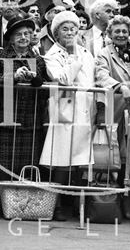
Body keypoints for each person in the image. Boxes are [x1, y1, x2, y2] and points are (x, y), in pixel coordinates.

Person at [95, 15, 130, 220]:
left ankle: (128, 204)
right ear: (109, 34)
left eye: (124, 31)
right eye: (116, 31)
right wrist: (120, 86)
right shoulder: (104, 54)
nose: (121, 34)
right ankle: (109, 203)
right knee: (112, 159)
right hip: (115, 111)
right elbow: (101, 76)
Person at [39, 11, 95, 220]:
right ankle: (57, 203)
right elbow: (62, 78)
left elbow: (92, 80)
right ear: (56, 33)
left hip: (84, 109)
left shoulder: (86, 52)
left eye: (73, 28)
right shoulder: (52, 55)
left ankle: (77, 204)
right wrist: (73, 58)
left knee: (80, 160)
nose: (70, 32)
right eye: (65, 28)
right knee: (61, 159)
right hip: (63, 110)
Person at [0, 13, 48, 177]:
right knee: (4, 164)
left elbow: (45, 84)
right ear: (11, 38)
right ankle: (4, 200)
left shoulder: (37, 59)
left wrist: (34, 78)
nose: (24, 37)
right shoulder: (0, 55)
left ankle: (25, 200)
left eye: (27, 33)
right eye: (19, 34)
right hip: (5, 115)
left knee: (28, 165)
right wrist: (14, 76)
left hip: (31, 117)